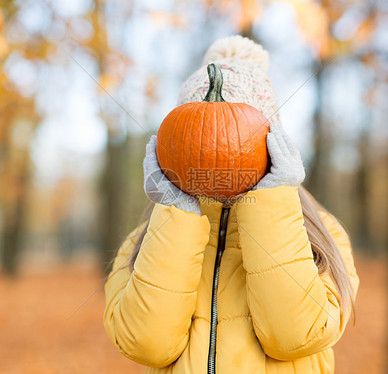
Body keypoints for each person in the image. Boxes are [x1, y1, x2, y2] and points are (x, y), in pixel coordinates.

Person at [103, 35, 359, 374]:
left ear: (272, 141)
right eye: (195, 134)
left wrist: (272, 202)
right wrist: (175, 214)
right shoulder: (142, 242)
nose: (214, 149)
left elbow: (296, 335)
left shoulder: (323, 236)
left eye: (236, 133)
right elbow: (145, 343)